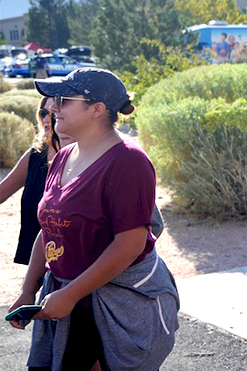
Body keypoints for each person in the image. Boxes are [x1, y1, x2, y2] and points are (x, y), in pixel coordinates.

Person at [7, 68, 179, 370]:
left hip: (114, 307)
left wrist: (70, 295)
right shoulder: (62, 156)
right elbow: (48, 229)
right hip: (69, 297)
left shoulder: (128, 161)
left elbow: (130, 244)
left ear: (97, 109)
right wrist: (28, 289)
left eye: (62, 99)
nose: (51, 107)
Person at [0, 97, 60, 265]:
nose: (47, 119)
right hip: (37, 260)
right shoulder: (35, 155)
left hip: (74, 261)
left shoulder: (85, 156)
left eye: (53, 114)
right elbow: (2, 191)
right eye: (43, 113)